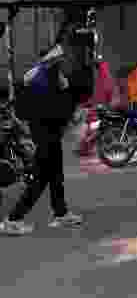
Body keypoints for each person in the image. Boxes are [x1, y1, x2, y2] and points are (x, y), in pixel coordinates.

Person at [1, 31, 86, 236]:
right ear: (53, 60)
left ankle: (61, 213)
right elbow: (53, 107)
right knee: (40, 180)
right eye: (60, 59)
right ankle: (13, 219)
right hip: (46, 135)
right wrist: (70, 112)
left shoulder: (42, 75)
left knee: (56, 176)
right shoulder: (44, 79)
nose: (63, 62)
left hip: (48, 134)